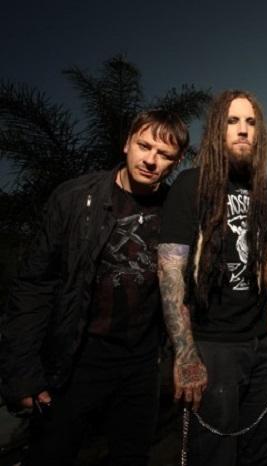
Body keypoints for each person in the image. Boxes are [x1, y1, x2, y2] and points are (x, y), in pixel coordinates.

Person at [0, 110, 189, 465]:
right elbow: (34, 286)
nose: (150, 160)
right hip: (76, 360)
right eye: (144, 145)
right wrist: (22, 374)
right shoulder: (74, 198)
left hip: (140, 365)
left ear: (176, 161)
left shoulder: (176, 211)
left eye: (164, 154)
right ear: (127, 143)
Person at [158, 90, 267, 466]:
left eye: (250, 122)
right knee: (213, 455)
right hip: (212, 346)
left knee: (258, 454)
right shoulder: (190, 183)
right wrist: (185, 353)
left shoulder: (260, 188)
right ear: (216, 130)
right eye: (232, 121)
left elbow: (264, 260)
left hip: (260, 346)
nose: (243, 130)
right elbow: (170, 271)